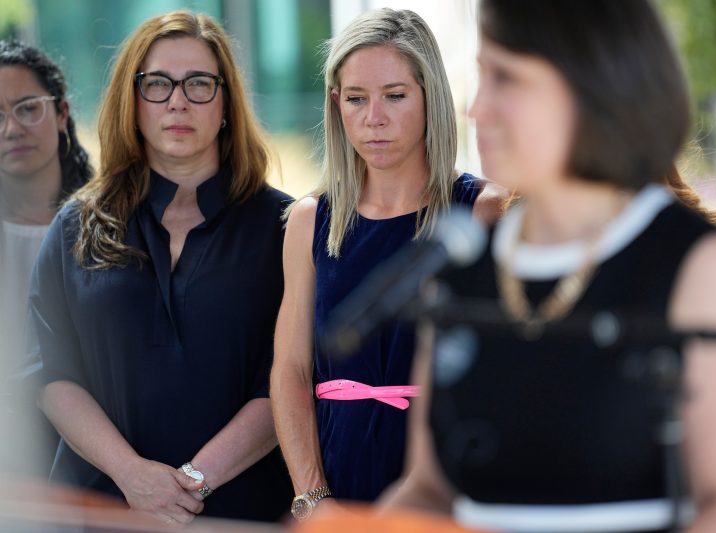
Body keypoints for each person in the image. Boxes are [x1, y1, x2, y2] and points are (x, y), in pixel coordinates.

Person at [382, 1, 716, 532]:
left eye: (507, 78)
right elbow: (429, 490)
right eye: (483, 77)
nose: (477, 109)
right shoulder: (462, 269)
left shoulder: (705, 268)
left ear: (592, 84)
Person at [28, 10, 293, 524]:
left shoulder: (284, 228)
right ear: (132, 101)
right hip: (99, 510)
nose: (177, 101)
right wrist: (133, 477)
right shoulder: (74, 226)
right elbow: (52, 371)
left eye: (199, 83)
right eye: (157, 84)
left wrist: (192, 482)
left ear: (226, 103)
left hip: (237, 513)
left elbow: (289, 376)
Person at [271, 7, 506, 517]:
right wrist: (313, 498)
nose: (373, 118)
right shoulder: (310, 221)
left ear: (430, 97)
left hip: (449, 487)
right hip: (338, 483)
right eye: (356, 98)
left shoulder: (482, 211)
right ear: (336, 102)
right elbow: (290, 370)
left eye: (395, 96)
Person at [0, 39, 92, 479]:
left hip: (93, 449)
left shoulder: (112, 222)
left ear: (61, 112)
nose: (12, 129)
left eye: (27, 109)